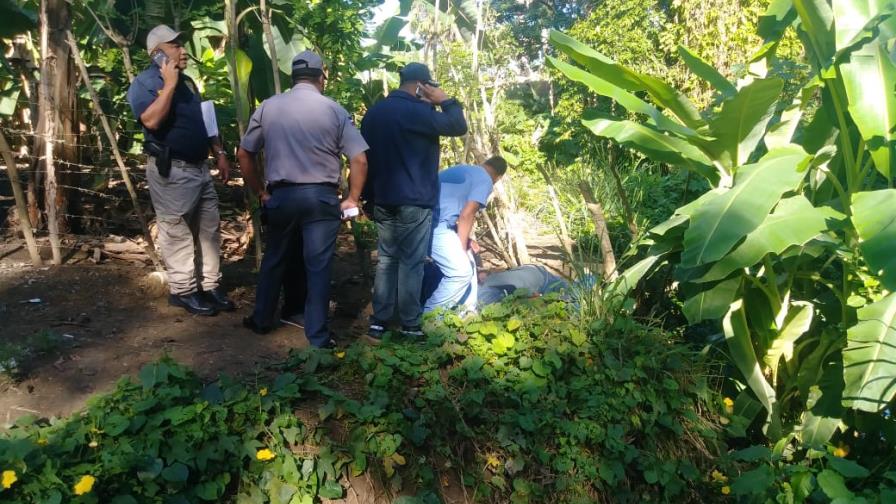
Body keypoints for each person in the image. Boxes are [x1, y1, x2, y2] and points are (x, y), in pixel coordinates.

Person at [237, 50, 368, 349]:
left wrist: (261, 192)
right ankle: (318, 337)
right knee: (318, 266)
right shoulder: (334, 110)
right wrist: (352, 198)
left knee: (274, 259)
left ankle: (261, 320)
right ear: (321, 76)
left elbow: (245, 153)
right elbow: (359, 160)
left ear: (293, 76)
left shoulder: (268, 107)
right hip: (321, 199)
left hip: (281, 196)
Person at [127, 25, 234, 316]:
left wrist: (219, 153)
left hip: (200, 168)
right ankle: (183, 291)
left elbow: (205, 119)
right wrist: (169, 84)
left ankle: (210, 285)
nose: (183, 50)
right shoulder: (145, 83)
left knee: (209, 229)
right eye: (175, 46)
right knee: (178, 233)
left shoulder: (188, 82)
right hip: (172, 170)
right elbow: (151, 122)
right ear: (157, 53)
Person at [360, 62, 467, 341]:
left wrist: (367, 198)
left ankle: (379, 323)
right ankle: (409, 324)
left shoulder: (374, 113)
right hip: (415, 200)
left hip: (382, 198)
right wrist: (446, 100)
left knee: (386, 260)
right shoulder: (418, 112)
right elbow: (458, 125)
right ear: (422, 85)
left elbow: (364, 159)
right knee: (411, 262)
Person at [423, 157, 507, 313]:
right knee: (461, 273)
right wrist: (461, 247)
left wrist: (465, 240)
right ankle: (429, 317)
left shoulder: (464, 169)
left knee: (468, 264)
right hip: (435, 226)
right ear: (499, 177)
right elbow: (466, 215)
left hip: (419, 220)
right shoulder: (485, 179)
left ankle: (465, 314)